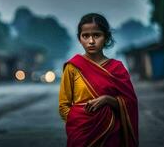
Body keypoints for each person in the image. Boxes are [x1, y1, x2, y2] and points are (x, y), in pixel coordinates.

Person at [59, 13, 138, 147]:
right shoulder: (73, 67)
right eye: (85, 36)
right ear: (79, 39)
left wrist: (108, 100)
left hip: (111, 134)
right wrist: (79, 122)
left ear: (106, 37)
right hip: (80, 135)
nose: (91, 41)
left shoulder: (117, 68)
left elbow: (130, 103)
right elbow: (63, 106)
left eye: (96, 35)